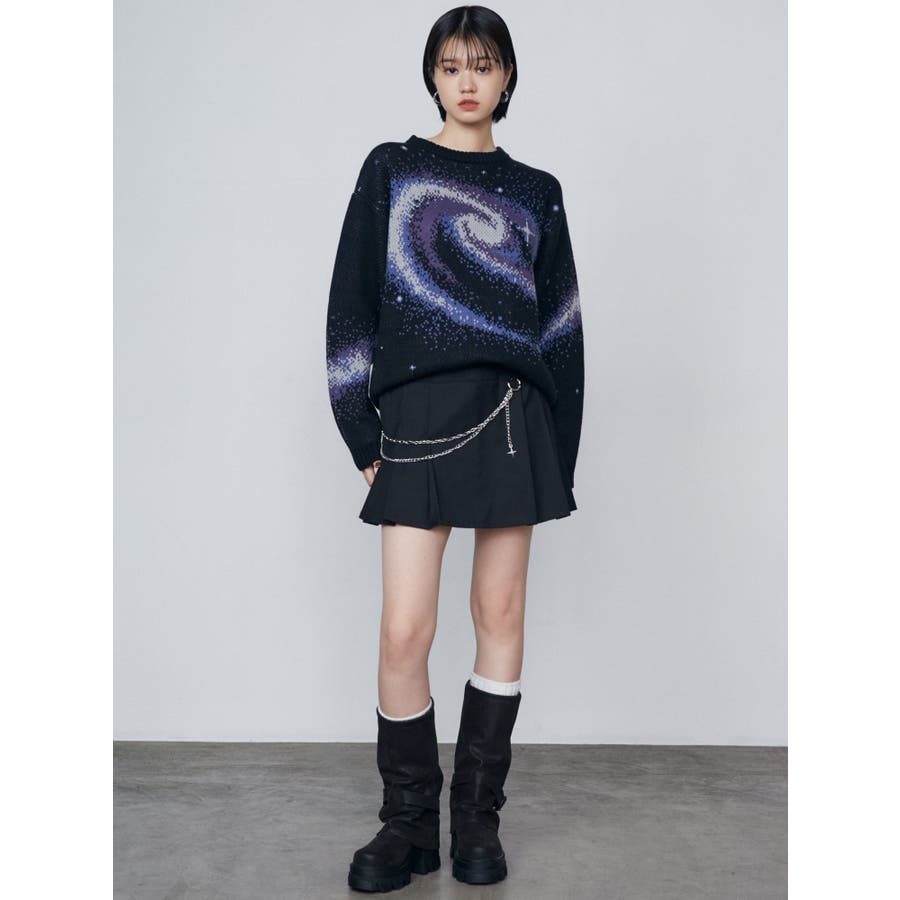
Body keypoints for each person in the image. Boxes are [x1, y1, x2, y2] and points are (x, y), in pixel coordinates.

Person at [325, 5, 584, 892]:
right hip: (416, 418)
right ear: (432, 76)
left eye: (483, 64)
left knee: (499, 616)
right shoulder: (391, 169)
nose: (466, 81)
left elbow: (561, 331)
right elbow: (351, 304)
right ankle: (406, 826)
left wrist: (560, 456)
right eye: (450, 65)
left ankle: (477, 820)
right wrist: (360, 429)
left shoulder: (538, 190)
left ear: (508, 76)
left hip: (514, 420)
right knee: (405, 628)